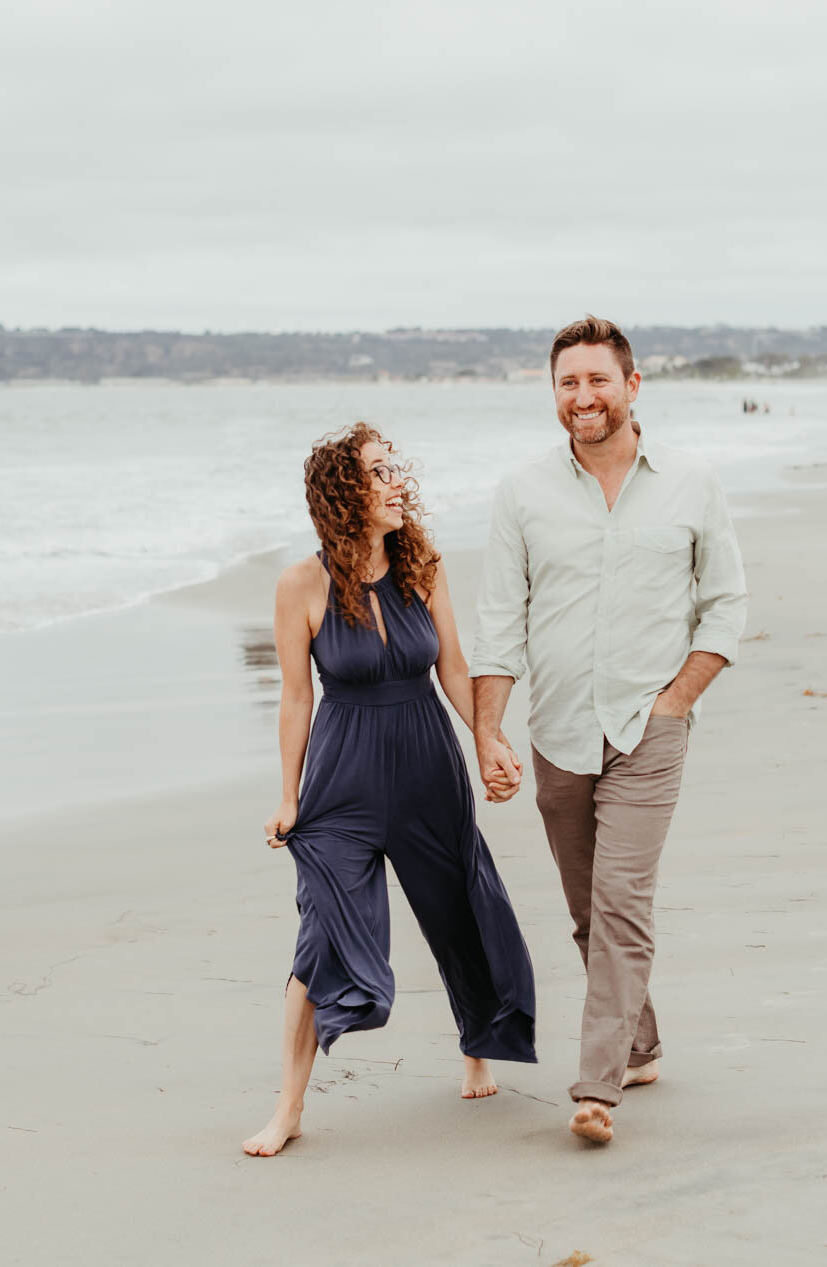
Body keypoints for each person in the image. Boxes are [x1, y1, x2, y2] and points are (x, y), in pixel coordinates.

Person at [471, 316, 749, 1145]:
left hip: (649, 726)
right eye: (568, 382)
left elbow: (727, 603)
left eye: (598, 380)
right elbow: (498, 622)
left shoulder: (692, 483)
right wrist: (489, 730)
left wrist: (677, 700)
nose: (583, 396)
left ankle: (597, 1088)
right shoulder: (521, 492)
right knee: (591, 912)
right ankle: (643, 1040)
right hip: (557, 729)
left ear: (633, 386)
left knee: (622, 903)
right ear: (554, 393)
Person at [242, 424, 537, 1158]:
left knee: (455, 909)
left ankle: (477, 1044)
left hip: (426, 765)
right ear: (347, 495)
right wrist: (288, 795)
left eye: (393, 469)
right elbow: (295, 697)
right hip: (341, 780)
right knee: (322, 931)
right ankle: (288, 1105)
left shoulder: (422, 567)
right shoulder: (300, 586)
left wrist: (489, 739)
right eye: (380, 472)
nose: (398, 481)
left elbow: (456, 671)